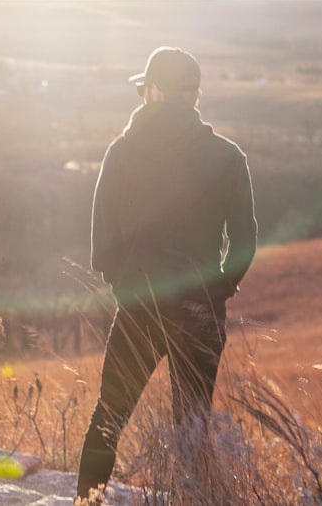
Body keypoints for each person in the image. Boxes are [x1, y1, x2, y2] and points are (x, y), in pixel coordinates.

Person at [76, 46, 257, 503]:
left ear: (156, 91)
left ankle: (85, 502)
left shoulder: (122, 151)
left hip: (139, 303)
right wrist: (216, 292)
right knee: (192, 425)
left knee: (110, 415)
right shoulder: (229, 157)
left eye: (144, 88)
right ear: (193, 96)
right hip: (200, 308)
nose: (140, 96)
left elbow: (101, 242)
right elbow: (245, 242)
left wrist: (127, 285)